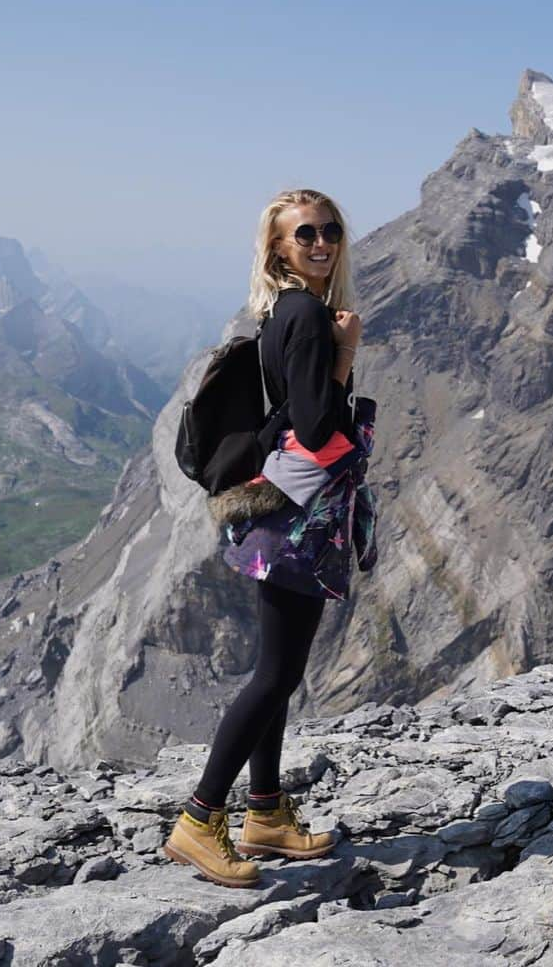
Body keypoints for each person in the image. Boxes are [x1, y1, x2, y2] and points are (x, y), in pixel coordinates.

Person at [162, 187, 377, 888]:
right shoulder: (310, 316)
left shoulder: (282, 310)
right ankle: (199, 821)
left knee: (277, 672)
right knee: (276, 675)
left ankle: (265, 814)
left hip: (273, 510)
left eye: (331, 230)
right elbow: (317, 427)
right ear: (278, 248)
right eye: (304, 233)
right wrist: (344, 355)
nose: (321, 242)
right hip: (300, 519)